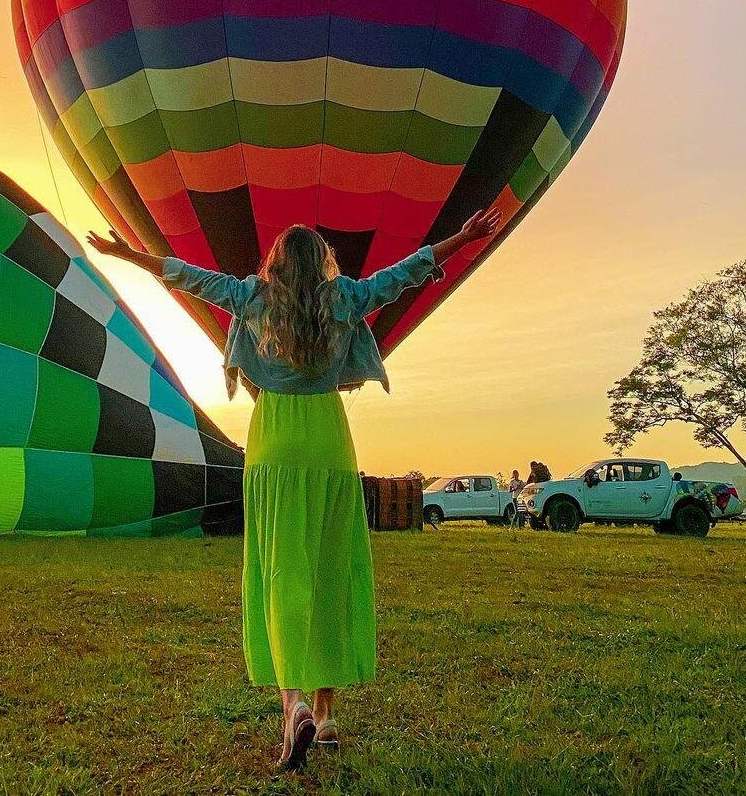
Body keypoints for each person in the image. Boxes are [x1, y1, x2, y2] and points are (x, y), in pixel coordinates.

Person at [88, 206, 501, 772]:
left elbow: (184, 274)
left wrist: (128, 254)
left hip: (275, 438)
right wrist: (462, 236)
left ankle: (295, 707)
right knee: (330, 568)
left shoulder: (251, 297)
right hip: (328, 438)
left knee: (282, 570)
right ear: (323, 264)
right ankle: (327, 716)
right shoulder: (345, 299)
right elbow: (407, 271)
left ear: (276, 264)